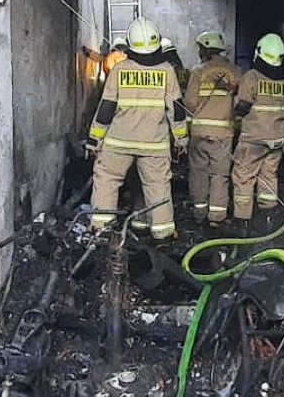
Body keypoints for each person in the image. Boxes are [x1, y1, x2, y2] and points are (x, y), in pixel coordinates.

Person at [85, 18, 188, 241]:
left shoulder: (119, 70)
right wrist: (181, 139)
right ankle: (162, 234)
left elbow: (106, 109)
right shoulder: (167, 71)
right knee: (157, 185)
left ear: (130, 45)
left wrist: (94, 140)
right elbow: (177, 110)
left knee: (107, 181)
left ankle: (101, 231)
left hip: (118, 143)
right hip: (154, 145)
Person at [230, 33, 284, 237]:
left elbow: (242, 107)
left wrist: (234, 116)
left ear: (259, 53)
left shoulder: (252, 77)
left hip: (253, 138)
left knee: (244, 177)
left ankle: (242, 222)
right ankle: (268, 220)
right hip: (277, 139)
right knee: (269, 176)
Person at [184, 31, 242, 228]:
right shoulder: (236, 71)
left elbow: (190, 103)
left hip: (200, 132)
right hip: (224, 133)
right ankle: (217, 216)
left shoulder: (198, 71)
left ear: (205, 49)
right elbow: (241, 103)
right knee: (220, 174)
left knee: (199, 172)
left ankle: (199, 213)